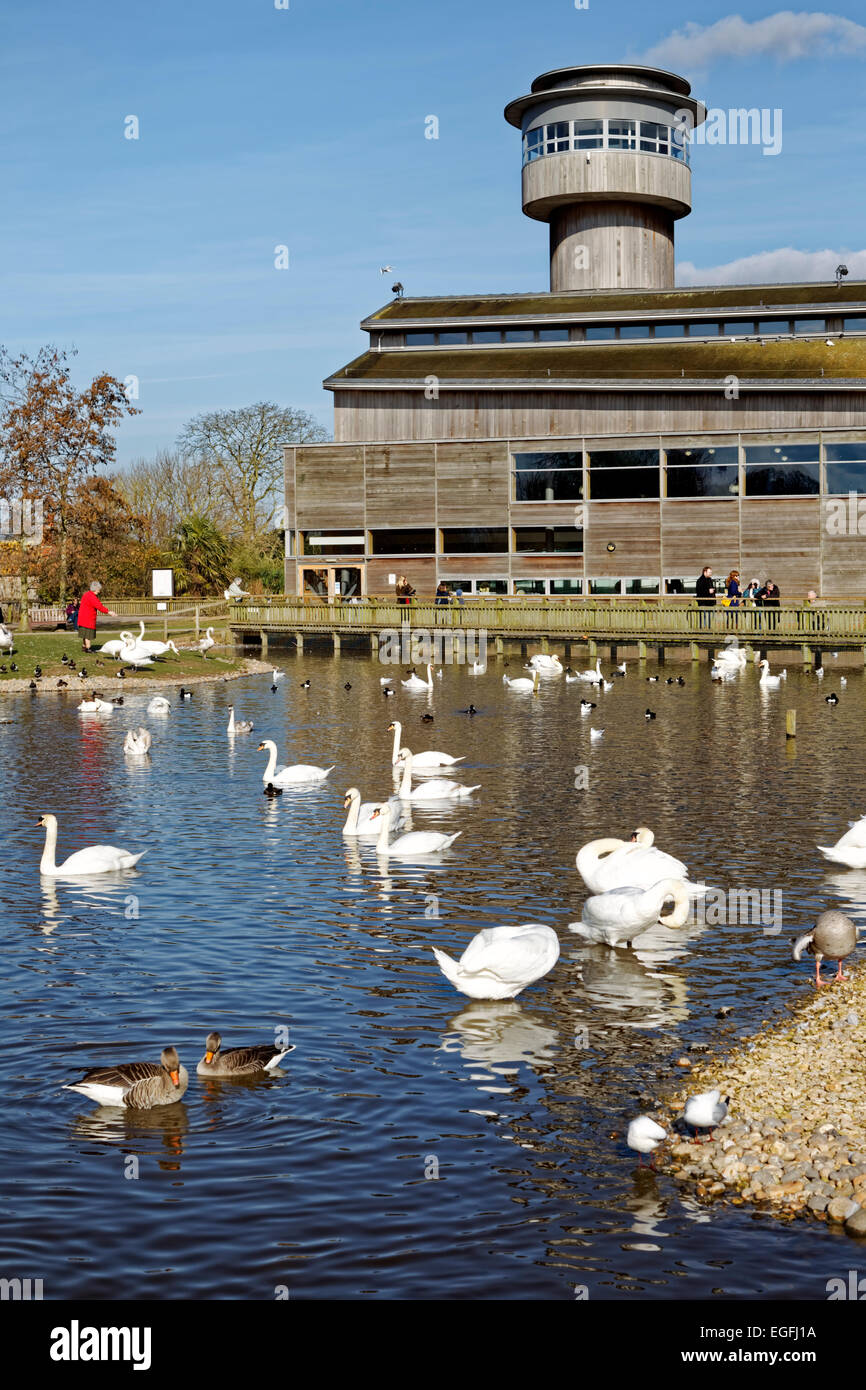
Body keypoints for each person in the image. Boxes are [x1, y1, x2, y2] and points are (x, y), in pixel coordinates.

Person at [77, 581, 117, 651]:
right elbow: (99, 606)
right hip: (88, 619)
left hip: (82, 618)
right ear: (95, 589)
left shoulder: (86, 594)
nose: (99, 591)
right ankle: (88, 648)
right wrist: (109, 612)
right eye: (98, 589)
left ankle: (84, 647)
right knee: (88, 635)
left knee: (84, 634)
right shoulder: (92, 597)